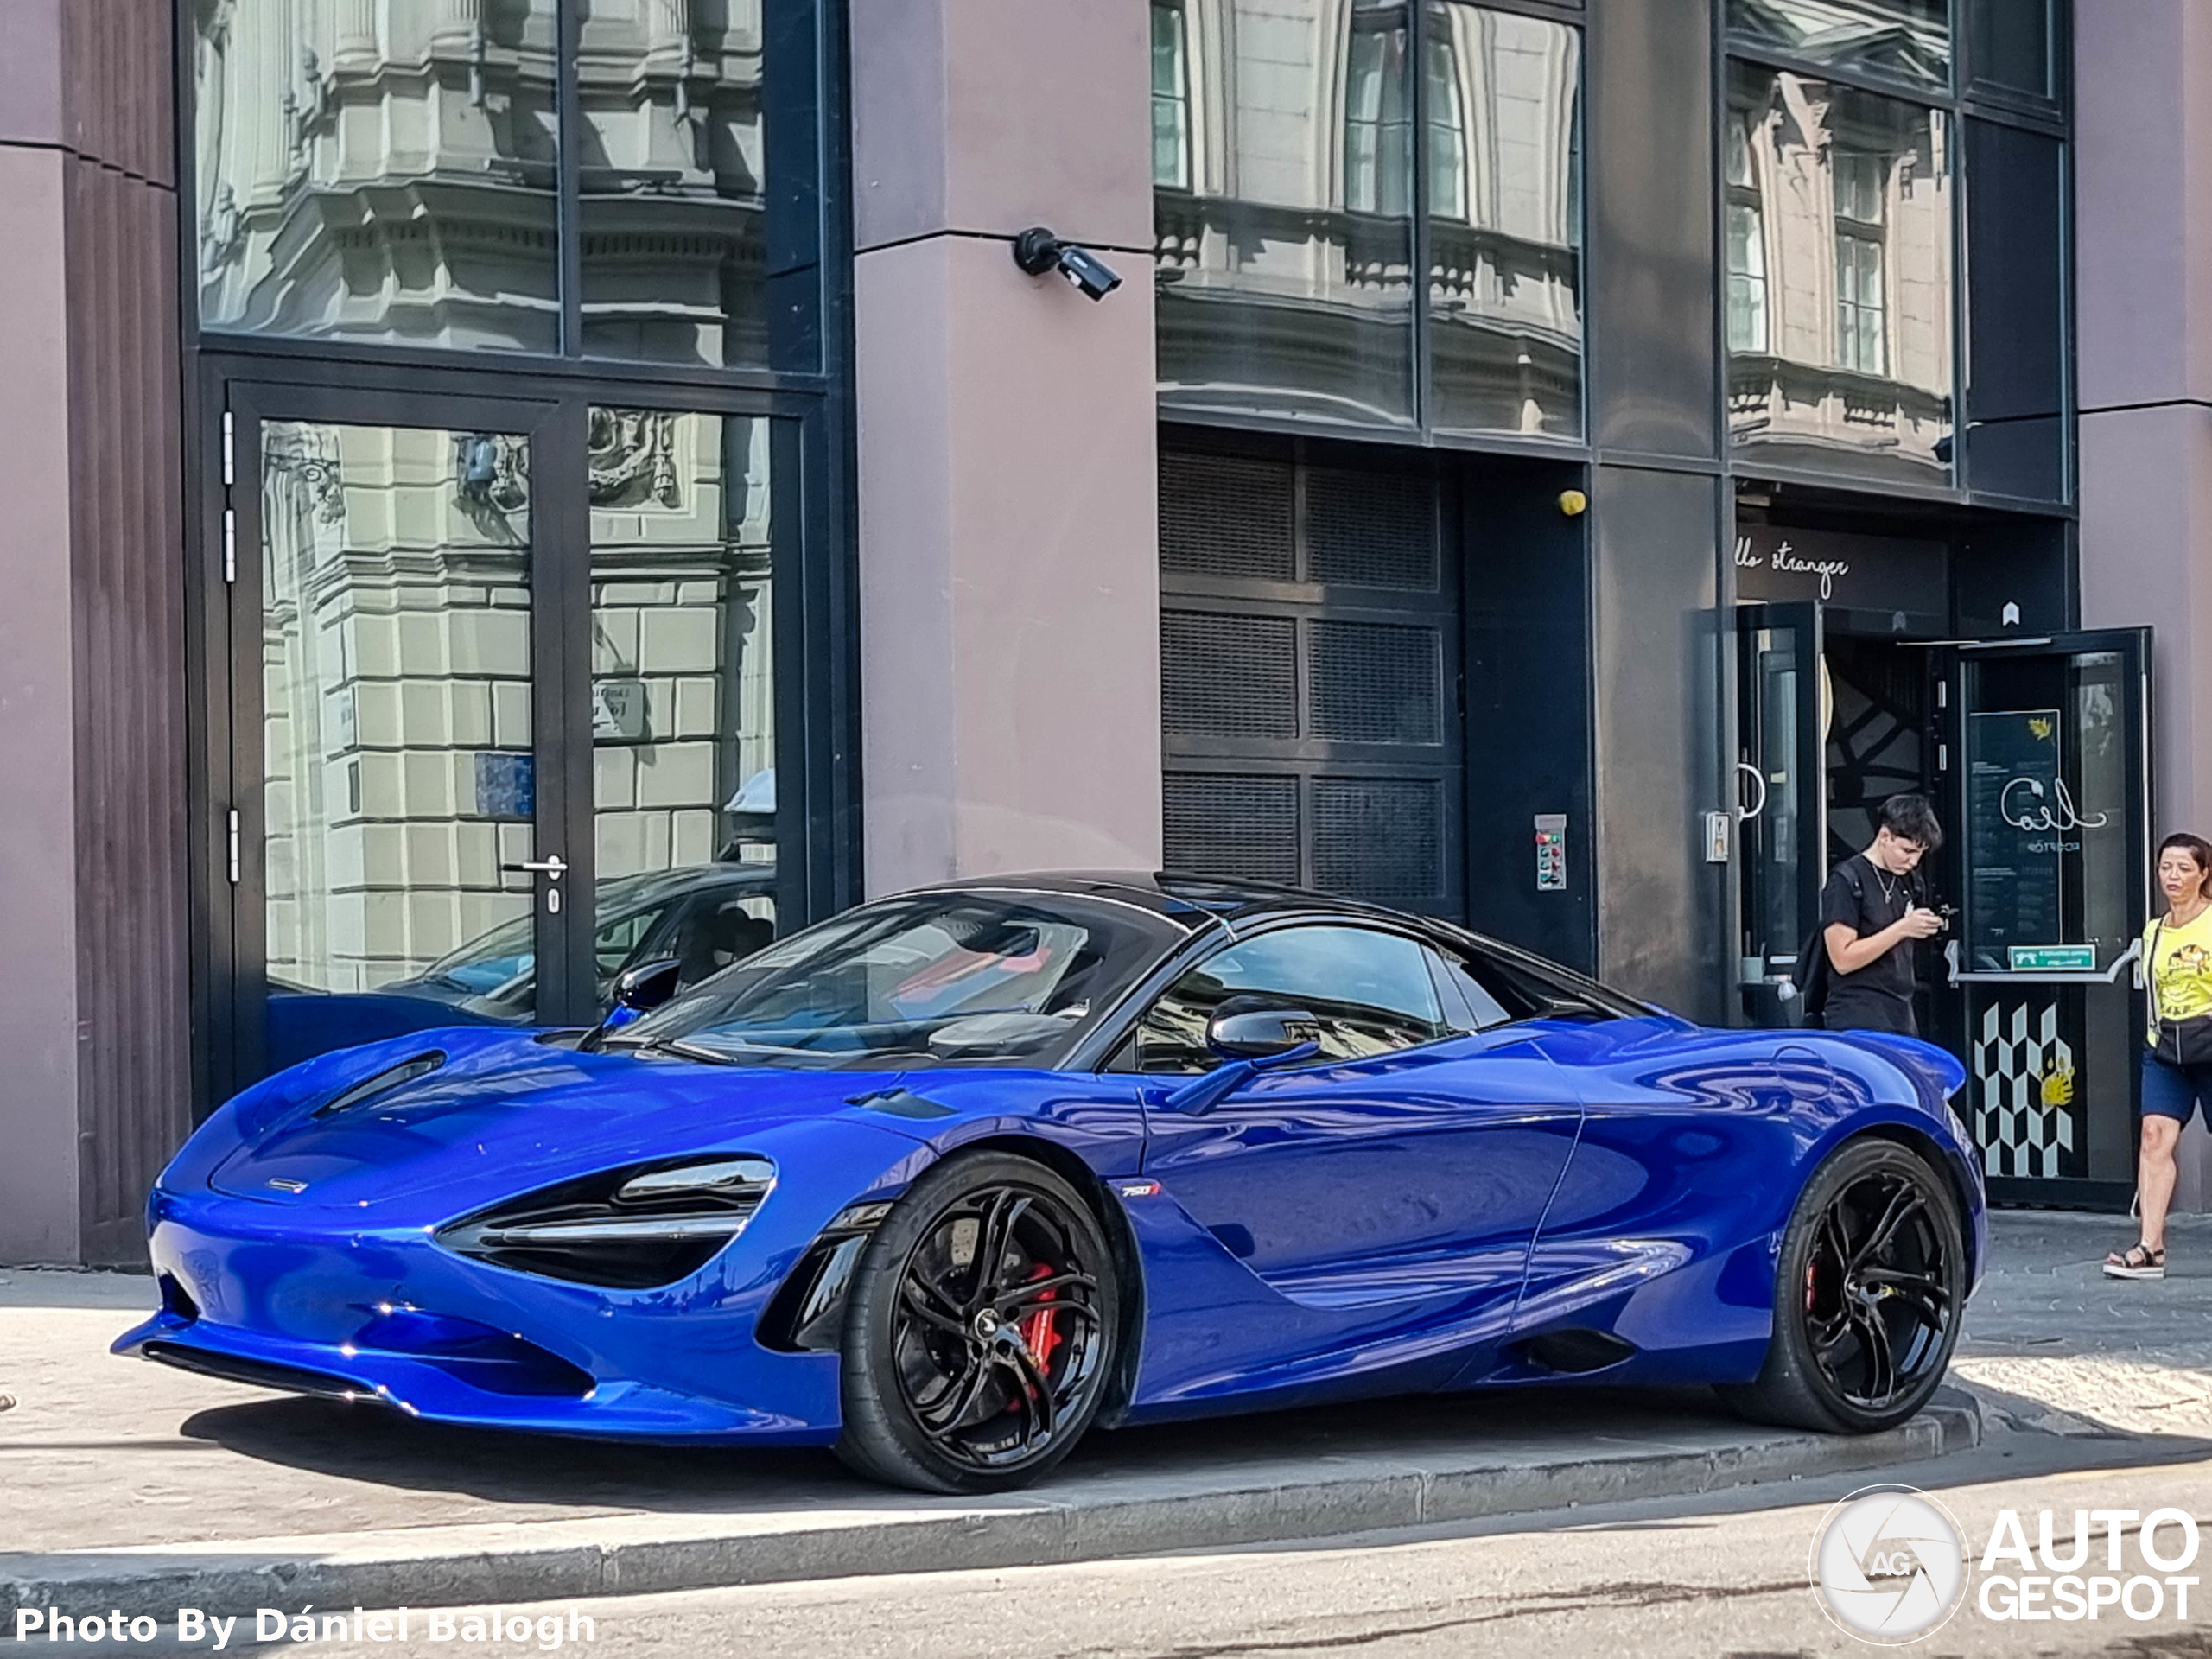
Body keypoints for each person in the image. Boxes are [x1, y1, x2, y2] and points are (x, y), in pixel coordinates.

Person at [2105, 831, 2212, 1281]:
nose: (2173, 876)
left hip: (2209, 1041)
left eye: (2184, 867)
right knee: (2153, 1137)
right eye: (2166, 867)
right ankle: (2151, 1246)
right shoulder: (2153, 930)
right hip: (2167, 1048)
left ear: (2204, 874)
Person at [1817, 794, 1947, 1037]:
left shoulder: (1909, 881)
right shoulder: (1847, 880)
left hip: (1901, 1009)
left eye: (1920, 853)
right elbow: (1842, 959)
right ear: (1885, 836)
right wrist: (1903, 928)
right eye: (1907, 850)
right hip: (1858, 1012)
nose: (1913, 861)